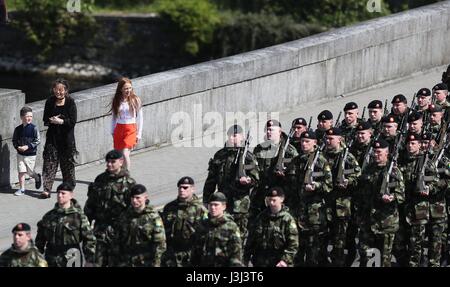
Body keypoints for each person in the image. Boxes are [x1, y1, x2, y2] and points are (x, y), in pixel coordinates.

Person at [203, 124, 259, 244]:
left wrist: (248, 181)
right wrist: (207, 199)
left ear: (242, 137)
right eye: (230, 136)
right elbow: (211, 179)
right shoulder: (220, 155)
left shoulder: (248, 157)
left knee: (239, 237)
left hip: (240, 205)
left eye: (235, 136)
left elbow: (255, 179)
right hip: (222, 201)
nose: (233, 139)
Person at [286, 131, 332, 266]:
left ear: (315, 143)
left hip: (314, 213)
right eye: (302, 141)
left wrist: (316, 186)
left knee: (314, 253)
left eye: (307, 142)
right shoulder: (297, 160)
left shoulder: (321, 162)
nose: (304, 144)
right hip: (298, 210)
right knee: (297, 251)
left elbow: (329, 185)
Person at [356, 138, 405, 267]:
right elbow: (361, 193)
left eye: (379, 152)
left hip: (386, 222)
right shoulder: (368, 169)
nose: (376, 154)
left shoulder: (394, 171)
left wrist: (392, 197)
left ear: (387, 153)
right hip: (367, 220)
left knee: (384, 259)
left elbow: (401, 195)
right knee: (365, 257)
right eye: (375, 151)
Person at [84, 149, 136, 267]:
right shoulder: (100, 180)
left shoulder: (129, 183)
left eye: (113, 162)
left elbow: (136, 209)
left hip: (120, 232)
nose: (109, 164)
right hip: (100, 230)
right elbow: (91, 204)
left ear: (121, 162)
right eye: (108, 162)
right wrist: (86, 227)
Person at [323, 127, 361, 266]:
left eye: (331, 139)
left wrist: (348, 181)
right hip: (325, 203)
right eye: (326, 138)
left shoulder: (347, 157)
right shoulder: (321, 156)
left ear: (339, 139)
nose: (328, 141)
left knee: (341, 240)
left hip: (341, 205)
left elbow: (357, 174)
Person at [35, 182, 96, 267]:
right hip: (52, 256)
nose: (60, 195)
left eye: (63, 193)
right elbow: (40, 239)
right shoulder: (49, 216)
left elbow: (89, 239)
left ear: (71, 195)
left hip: (72, 256)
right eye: (58, 193)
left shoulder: (78, 216)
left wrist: (90, 260)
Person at [41, 79, 78, 199]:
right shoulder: (50, 101)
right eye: (56, 89)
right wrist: (52, 119)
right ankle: (47, 189)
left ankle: (68, 188)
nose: (59, 92)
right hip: (52, 138)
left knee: (67, 165)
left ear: (66, 90)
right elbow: (45, 119)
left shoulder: (70, 102)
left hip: (66, 139)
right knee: (49, 163)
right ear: (53, 90)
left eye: (61, 90)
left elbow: (72, 121)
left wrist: (61, 121)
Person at [244, 186, 299, 267]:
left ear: (281, 199)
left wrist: (285, 261)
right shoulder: (261, 217)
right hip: (261, 262)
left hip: (279, 262)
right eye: (269, 200)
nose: (271, 203)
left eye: (274, 200)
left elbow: (293, 244)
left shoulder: (287, 219)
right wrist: (245, 258)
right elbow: (251, 240)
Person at [114, 184, 166, 267]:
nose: (134, 201)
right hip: (126, 261)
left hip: (145, 261)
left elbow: (160, 244)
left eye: (138, 198)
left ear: (145, 198)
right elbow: (117, 240)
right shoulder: (125, 216)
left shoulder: (153, 217)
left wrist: (156, 263)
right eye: (132, 198)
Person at [160, 177, 208, 267]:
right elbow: (162, 230)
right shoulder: (170, 207)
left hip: (191, 254)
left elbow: (206, 234)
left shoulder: (200, 209)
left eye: (185, 188)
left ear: (192, 189)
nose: (182, 190)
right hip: (172, 254)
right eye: (180, 187)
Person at [191, 192, 243, 267]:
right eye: (211, 205)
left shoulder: (231, 227)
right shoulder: (202, 225)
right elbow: (195, 251)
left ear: (224, 206)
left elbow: (236, 254)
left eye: (216, 205)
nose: (213, 208)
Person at [110, 77, 143, 170]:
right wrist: (112, 131)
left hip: (131, 129)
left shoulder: (135, 100)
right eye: (126, 88)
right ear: (121, 89)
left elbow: (140, 118)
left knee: (125, 153)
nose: (128, 90)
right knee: (119, 156)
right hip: (119, 129)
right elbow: (113, 117)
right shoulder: (116, 100)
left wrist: (139, 134)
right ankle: (120, 175)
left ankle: (127, 176)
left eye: (130, 88)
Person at [12, 106, 42, 196]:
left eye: (31, 116)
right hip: (20, 154)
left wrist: (28, 146)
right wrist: (18, 147)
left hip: (31, 154)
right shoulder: (18, 129)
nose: (29, 118)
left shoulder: (34, 128)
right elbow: (14, 140)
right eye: (27, 116)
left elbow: (38, 140)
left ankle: (37, 177)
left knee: (30, 172)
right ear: (21, 117)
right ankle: (22, 189)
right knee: (21, 171)